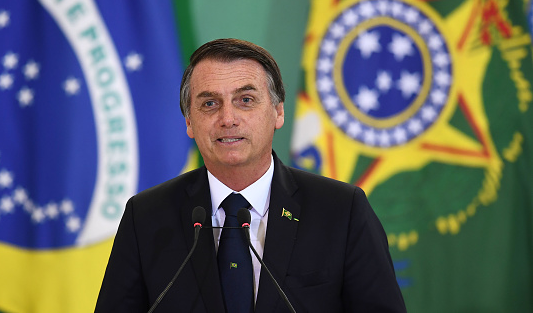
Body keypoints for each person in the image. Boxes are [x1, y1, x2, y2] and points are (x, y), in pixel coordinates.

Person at [95, 38, 407, 312]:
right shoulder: (146, 216)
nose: (227, 118)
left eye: (245, 100)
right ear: (189, 122)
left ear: (278, 112)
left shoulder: (342, 210)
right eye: (209, 103)